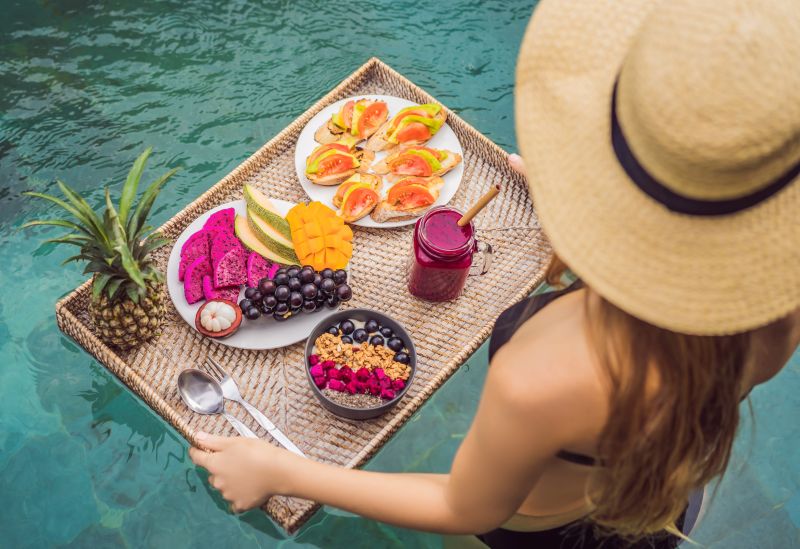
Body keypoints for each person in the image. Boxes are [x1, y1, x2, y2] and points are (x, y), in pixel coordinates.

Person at [189, 0, 800, 546]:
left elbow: (463, 504)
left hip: (536, 533)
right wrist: (582, 211)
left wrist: (281, 471)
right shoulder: (778, 304)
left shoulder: (544, 372)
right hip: (660, 502)